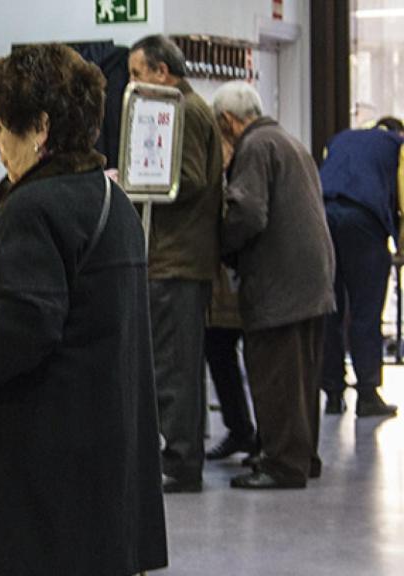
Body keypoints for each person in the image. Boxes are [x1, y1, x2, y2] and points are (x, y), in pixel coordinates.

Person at [0, 43, 166, 575]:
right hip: (104, 457)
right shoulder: (111, 200)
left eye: (0, 127)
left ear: (39, 127)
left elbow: (24, 325)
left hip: (45, 466)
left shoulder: (34, 209)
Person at [214, 81, 335, 489]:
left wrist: (220, 244)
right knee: (302, 377)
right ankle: (303, 456)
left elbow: (247, 213)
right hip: (312, 278)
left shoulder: (255, 147)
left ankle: (283, 464)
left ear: (228, 121)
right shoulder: (287, 140)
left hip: (279, 281)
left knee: (275, 373)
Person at [129, 34, 225, 493]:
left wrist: (137, 183)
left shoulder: (181, 110)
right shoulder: (188, 108)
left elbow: (185, 180)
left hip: (175, 259)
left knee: (174, 367)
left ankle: (182, 462)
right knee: (177, 365)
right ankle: (182, 455)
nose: (132, 84)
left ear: (162, 72)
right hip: (180, 258)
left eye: (136, 74)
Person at [319, 116, 404, 417]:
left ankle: (332, 394)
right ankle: (367, 395)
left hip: (323, 216)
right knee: (366, 311)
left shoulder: (340, 137)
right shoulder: (397, 145)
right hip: (363, 221)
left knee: (331, 309)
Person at [204, 265, 258, 460]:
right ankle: (240, 430)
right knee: (218, 350)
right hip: (222, 278)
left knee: (260, 361)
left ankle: (264, 439)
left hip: (244, 269)